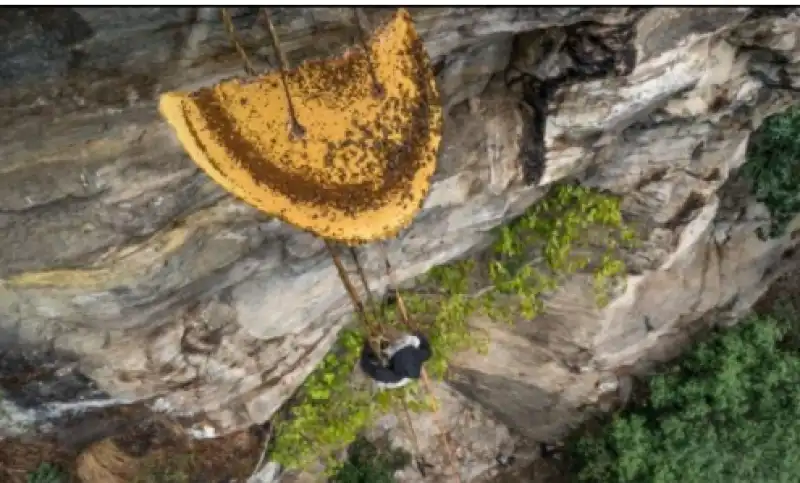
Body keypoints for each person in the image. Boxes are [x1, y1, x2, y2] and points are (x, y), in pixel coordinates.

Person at [359, 331, 432, 389]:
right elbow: (377, 373)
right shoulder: (415, 347)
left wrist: (366, 352)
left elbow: (377, 373)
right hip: (402, 356)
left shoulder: (399, 378)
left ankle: (376, 346)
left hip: (398, 360)